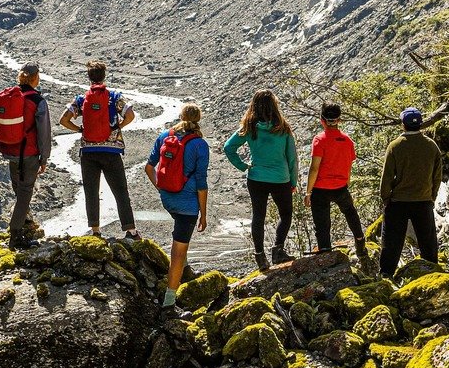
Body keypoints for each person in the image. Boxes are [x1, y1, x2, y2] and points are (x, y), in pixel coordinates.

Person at [60, 60, 141, 239]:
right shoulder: (114, 96)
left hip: (88, 152)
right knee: (120, 191)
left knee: (91, 192)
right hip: (111, 152)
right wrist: (119, 126)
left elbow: (63, 120)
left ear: (89, 77)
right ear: (104, 76)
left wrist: (80, 130)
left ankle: (95, 231)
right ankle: (131, 230)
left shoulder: (82, 99)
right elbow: (130, 115)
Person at [144, 102, 211, 309]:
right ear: (198, 120)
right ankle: (169, 302)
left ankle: (186, 270)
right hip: (187, 205)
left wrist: (161, 189)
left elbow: (148, 167)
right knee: (178, 251)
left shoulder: (165, 136)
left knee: (180, 239)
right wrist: (203, 214)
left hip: (167, 199)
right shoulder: (200, 145)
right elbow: (201, 184)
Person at [223, 89, 297, 272]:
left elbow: (228, 147)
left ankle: (260, 257)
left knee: (258, 216)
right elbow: (292, 158)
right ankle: (278, 250)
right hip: (281, 179)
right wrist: (293, 182)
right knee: (286, 215)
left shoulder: (249, 127)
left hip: (256, 178)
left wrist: (243, 166)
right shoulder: (283, 127)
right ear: (274, 106)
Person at [0, 62, 54, 248]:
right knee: (25, 192)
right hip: (29, 154)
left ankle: (24, 223)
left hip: (10, 152)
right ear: (35, 78)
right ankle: (15, 236)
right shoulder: (38, 101)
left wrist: (4, 140)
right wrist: (44, 158)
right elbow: (44, 133)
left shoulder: (8, 95)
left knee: (18, 188)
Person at [379, 106, 443, 277]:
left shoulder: (395, 146)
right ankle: (433, 273)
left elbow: (386, 178)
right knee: (428, 241)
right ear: (420, 124)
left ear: (403, 125)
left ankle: (386, 275)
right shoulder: (431, 146)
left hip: (398, 202)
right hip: (423, 200)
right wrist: (431, 197)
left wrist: (386, 198)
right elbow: (437, 176)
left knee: (392, 242)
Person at [307, 102, 371, 269]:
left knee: (322, 222)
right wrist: (346, 181)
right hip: (341, 186)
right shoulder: (347, 141)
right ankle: (359, 241)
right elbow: (349, 164)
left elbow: (314, 168)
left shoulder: (319, 140)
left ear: (322, 120)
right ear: (339, 120)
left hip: (321, 188)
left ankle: (325, 249)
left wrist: (308, 192)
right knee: (350, 213)